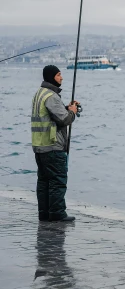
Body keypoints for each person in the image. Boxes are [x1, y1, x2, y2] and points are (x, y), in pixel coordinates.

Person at [31, 65, 79, 222]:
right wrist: (72, 111)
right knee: (58, 181)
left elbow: (50, 115)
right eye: (59, 75)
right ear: (52, 77)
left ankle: (44, 213)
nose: (62, 78)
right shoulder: (51, 96)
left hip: (40, 146)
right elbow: (64, 120)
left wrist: (66, 108)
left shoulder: (40, 94)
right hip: (53, 146)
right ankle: (57, 213)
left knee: (44, 182)